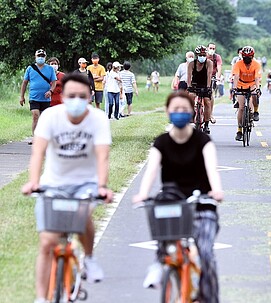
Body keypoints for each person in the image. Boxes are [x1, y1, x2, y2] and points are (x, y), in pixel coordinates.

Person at [21, 72, 113, 303]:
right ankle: (42, 298)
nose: (76, 100)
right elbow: (38, 152)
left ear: (90, 97)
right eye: (71, 95)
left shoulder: (98, 119)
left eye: (82, 96)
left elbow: (102, 157)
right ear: (63, 96)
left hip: (86, 182)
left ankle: (89, 259)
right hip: (53, 183)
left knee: (83, 217)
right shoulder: (50, 117)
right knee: (47, 242)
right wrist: (34, 182)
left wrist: (102, 186)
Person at [133, 90, 224, 303]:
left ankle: (209, 297)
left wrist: (216, 191)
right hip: (171, 204)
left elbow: (212, 169)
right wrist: (143, 194)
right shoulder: (161, 142)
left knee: (205, 254)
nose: (180, 113)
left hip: (201, 204)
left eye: (184, 109)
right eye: (175, 110)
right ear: (167, 112)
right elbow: (151, 171)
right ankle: (159, 265)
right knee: (165, 245)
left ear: (192, 112)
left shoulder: (203, 140)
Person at [20, 49, 57, 142]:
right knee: (35, 116)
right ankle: (35, 137)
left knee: (44, 119)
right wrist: (22, 96)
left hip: (46, 99)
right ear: (35, 57)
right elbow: (24, 83)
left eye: (42, 56)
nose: (40, 58)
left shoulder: (50, 69)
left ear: (45, 57)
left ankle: (45, 137)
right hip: (34, 97)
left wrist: (51, 91)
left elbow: (54, 82)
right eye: (39, 56)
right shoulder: (30, 68)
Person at [231, 46, 262, 141]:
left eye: (249, 57)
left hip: (252, 84)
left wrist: (257, 88)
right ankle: (239, 130)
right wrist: (234, 88)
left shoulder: (256, 64)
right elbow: (236, 76)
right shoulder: (238, 64)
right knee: (241, 108)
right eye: (245, 57)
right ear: (242, 56)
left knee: (255, 96)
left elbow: (257, 78)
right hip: (241, 84)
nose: (247, 59)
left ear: (252, 57)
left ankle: (255, 111)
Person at [187, 45, 214, 134]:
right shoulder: (192, 64)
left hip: (205, 84)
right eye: (200, 55)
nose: (202, 57)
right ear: (196, 55)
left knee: (207, 101)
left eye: (203, 55)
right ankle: (192, 114)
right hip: (195, 84)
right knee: (190, 96)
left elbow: (209, 75)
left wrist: (208, 88)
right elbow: (189, 76)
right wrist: (189, 86)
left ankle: (206, 124)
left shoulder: (209, 63)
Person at [207, 43, 222, 123]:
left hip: (212, 77)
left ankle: (211, 114)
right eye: (210, 48)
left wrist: (218, 77)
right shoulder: (203, 56)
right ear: (207, 48)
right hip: (202, 76)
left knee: (210, 94)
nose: (212, 50)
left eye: (213, 48)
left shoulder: (217, 57)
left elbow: (219, 67)